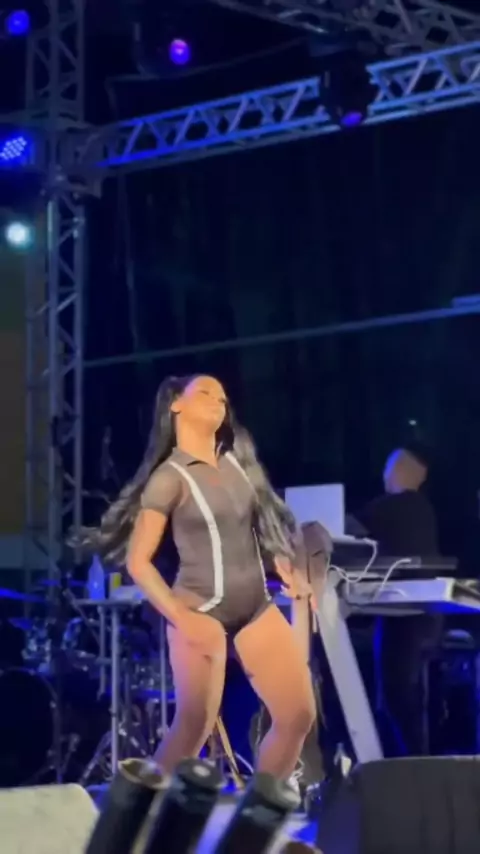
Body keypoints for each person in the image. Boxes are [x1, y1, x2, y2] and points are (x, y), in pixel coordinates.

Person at [78, 375, 316, 779]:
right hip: (199, 609)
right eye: (204, 393)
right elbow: (138, 562)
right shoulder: (170, 477)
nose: (217, 402)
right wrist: (181, 617)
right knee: (193, 727)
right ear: (176, 404)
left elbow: (258, 525)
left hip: (255, 607)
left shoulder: (237, 464)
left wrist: (282, 564)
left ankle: (259, 809)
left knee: (297, 715)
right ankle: (139, 808)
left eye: (222, 398)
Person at [357, 446, 442, 756]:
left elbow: (348, 528)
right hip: (424, 619)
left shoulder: (394, 507)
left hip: (405, 618)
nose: (384, 475)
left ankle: (410, 764)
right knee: (406, 699)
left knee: (397, 699)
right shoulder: (422, 509)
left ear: (402, 471)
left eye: (388, 468)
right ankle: (412, 762)